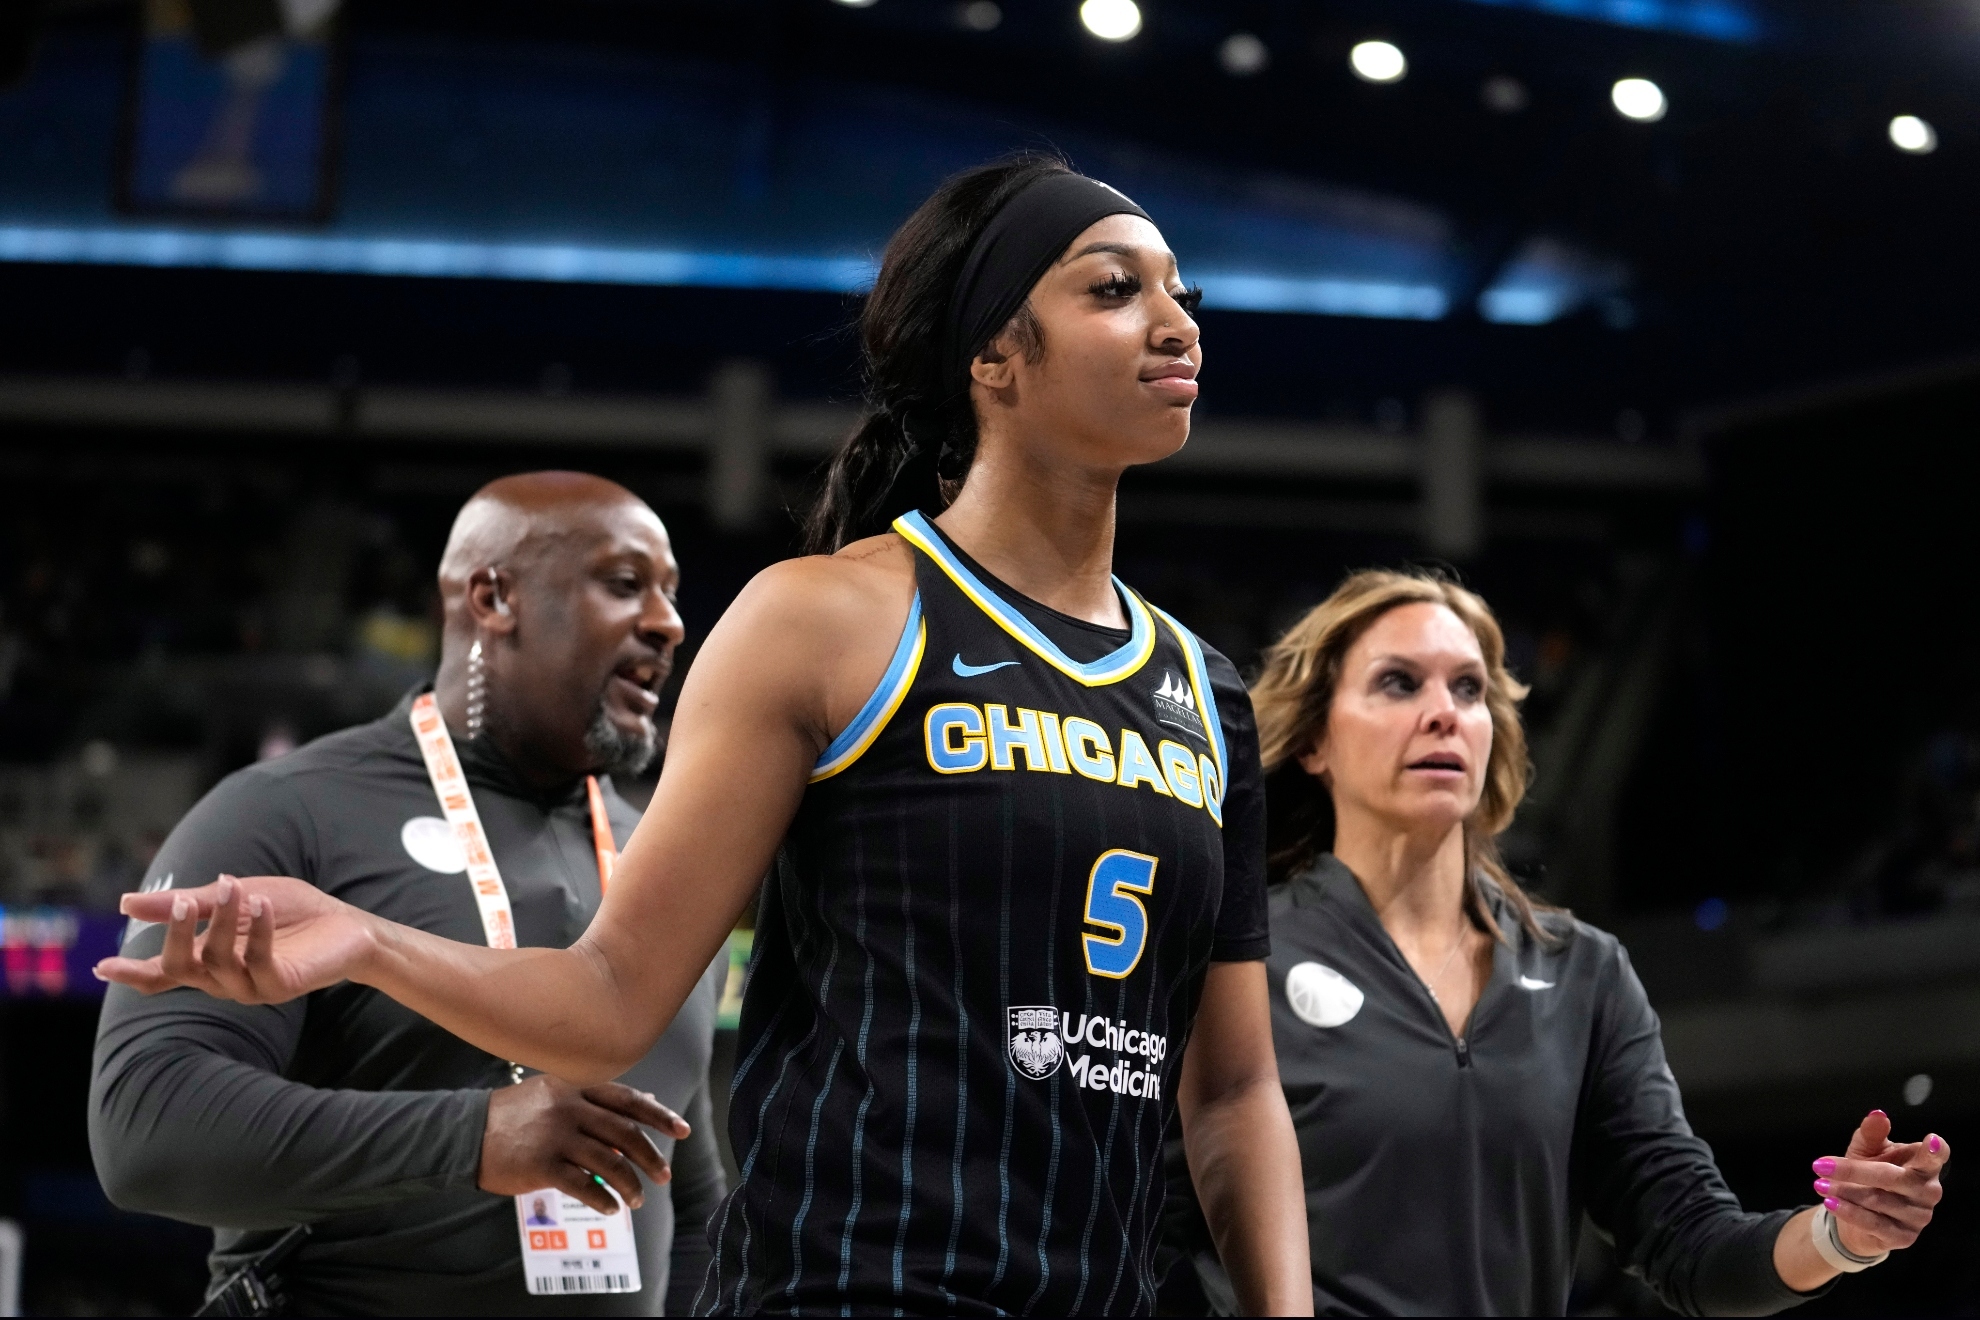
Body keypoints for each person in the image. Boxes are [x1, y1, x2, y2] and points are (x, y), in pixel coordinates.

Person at [98, 155, 1313, 1316]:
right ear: (994, 350)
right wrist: (366, 941)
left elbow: (1235, 1089)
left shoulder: (1204, 689)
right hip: (860, 1293)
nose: (1177, 323)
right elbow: (614, 995)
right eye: (1115, 289)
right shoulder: (826, 619)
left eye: (1180, 294)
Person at [1164, 567, 1951, 1316]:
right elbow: (1151, 1233)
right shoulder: (1242, 952)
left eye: (1468, 689)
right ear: (1315, 743)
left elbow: (1687, 1241)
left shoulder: (1584, 971)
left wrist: (1842, 1235)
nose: (1443, 711)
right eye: (1399, 683)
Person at [90, 472, 729, 1317]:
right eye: (624, 584)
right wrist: (474, 1136)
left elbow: (686, 1195)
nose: (669, 622)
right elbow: (148, 1128)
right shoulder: (285, 816)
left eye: (673, 594)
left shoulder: (667, 866)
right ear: (493, 596)